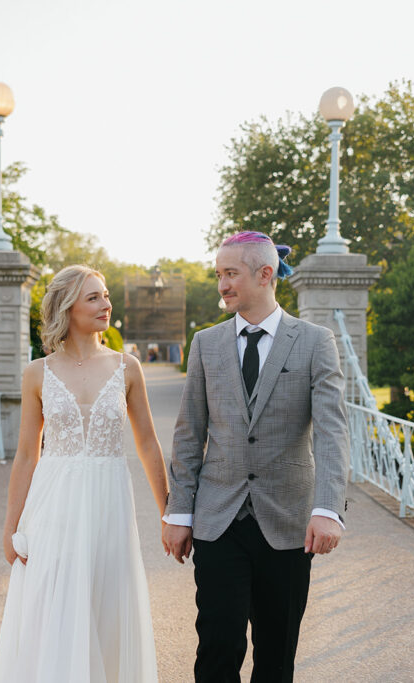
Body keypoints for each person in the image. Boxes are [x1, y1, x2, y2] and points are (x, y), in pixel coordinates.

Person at [162, 231, 350, 682]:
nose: (222, 285)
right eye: (218, 275)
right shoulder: (205, 344)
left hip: (288, 523)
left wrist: (327, 509)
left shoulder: (315, 342)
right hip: (218, 519)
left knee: (276, 654)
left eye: (230, 274)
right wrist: (178, 512)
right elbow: (189, 434)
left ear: (265, 275)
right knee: (217, 648)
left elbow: (332, 431)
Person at [0, 265, 169, 682]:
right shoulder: (37, 372)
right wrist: (9, 526)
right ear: (68, 307)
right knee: (54, 606)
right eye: (94, 297)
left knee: (108, 603)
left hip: (109, 503)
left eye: (105, 295)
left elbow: (146, 443)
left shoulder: (127, 368)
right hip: (53, 505)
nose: (106, 303)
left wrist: (169, 514)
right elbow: (26, 457)